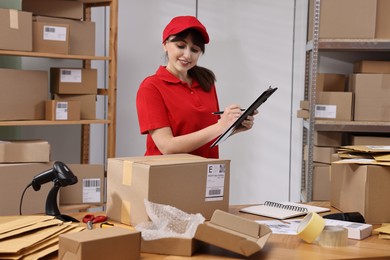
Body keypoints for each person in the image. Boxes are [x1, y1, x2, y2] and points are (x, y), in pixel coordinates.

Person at [136, 15, 257, 158]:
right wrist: (220, 126)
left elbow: (205, 136)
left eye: (194, 49)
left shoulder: (205, 82)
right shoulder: (151, 87)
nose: (187, 55)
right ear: (165, 45)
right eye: (180, 46)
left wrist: (233, 126)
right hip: (167, 175)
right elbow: (166, 146)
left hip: (205, 172)